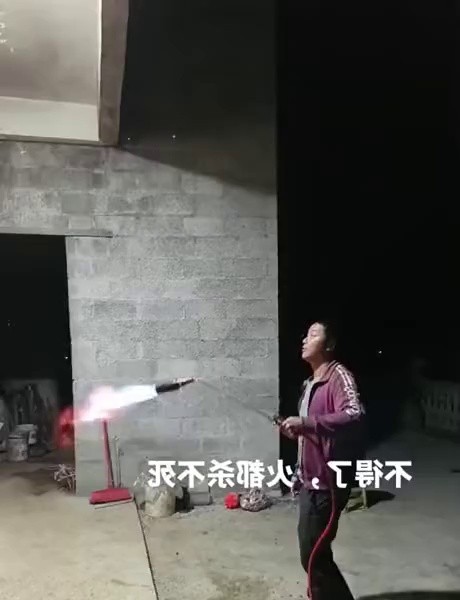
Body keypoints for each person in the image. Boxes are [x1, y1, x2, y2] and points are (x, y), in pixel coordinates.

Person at [280, 319, 365, 600]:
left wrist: (306, 422)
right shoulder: (310, 384)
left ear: (329, 345)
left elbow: (354, 413)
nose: (305, 339)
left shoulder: (338, 376)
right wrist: (297, 430)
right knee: (313, 553)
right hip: (309, 480)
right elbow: (314, 431)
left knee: (314, 555)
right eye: (305, 335)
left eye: (314, 335)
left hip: (328, 482)